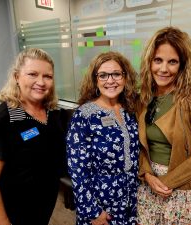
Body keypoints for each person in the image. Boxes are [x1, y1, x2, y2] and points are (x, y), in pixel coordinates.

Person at [137, 26, 191, 225]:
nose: (163, 69)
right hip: (150, 184)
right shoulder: (143, 98)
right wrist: (147, 175)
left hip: (184, 188)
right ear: (149, 62)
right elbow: (139, 145)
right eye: (158, 60)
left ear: (182, 66)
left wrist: (165, 182)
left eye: (172, 62)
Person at [0, 48, 66, 225]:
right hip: (16, 211)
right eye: (32, 74)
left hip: (46, 203)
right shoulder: (0, 121)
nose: (41, 82)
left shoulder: (53, 113)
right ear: (17, 77)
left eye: (47, 76)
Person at [66, 51, 140, 225]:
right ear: (95, 80)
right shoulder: (84, 115)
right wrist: (93, 212)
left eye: (116, 74)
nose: (110, 80)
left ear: (125, 77)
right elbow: (77, 170)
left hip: (131, 200)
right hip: (101, 205)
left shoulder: (131, 110)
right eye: (103, 75)